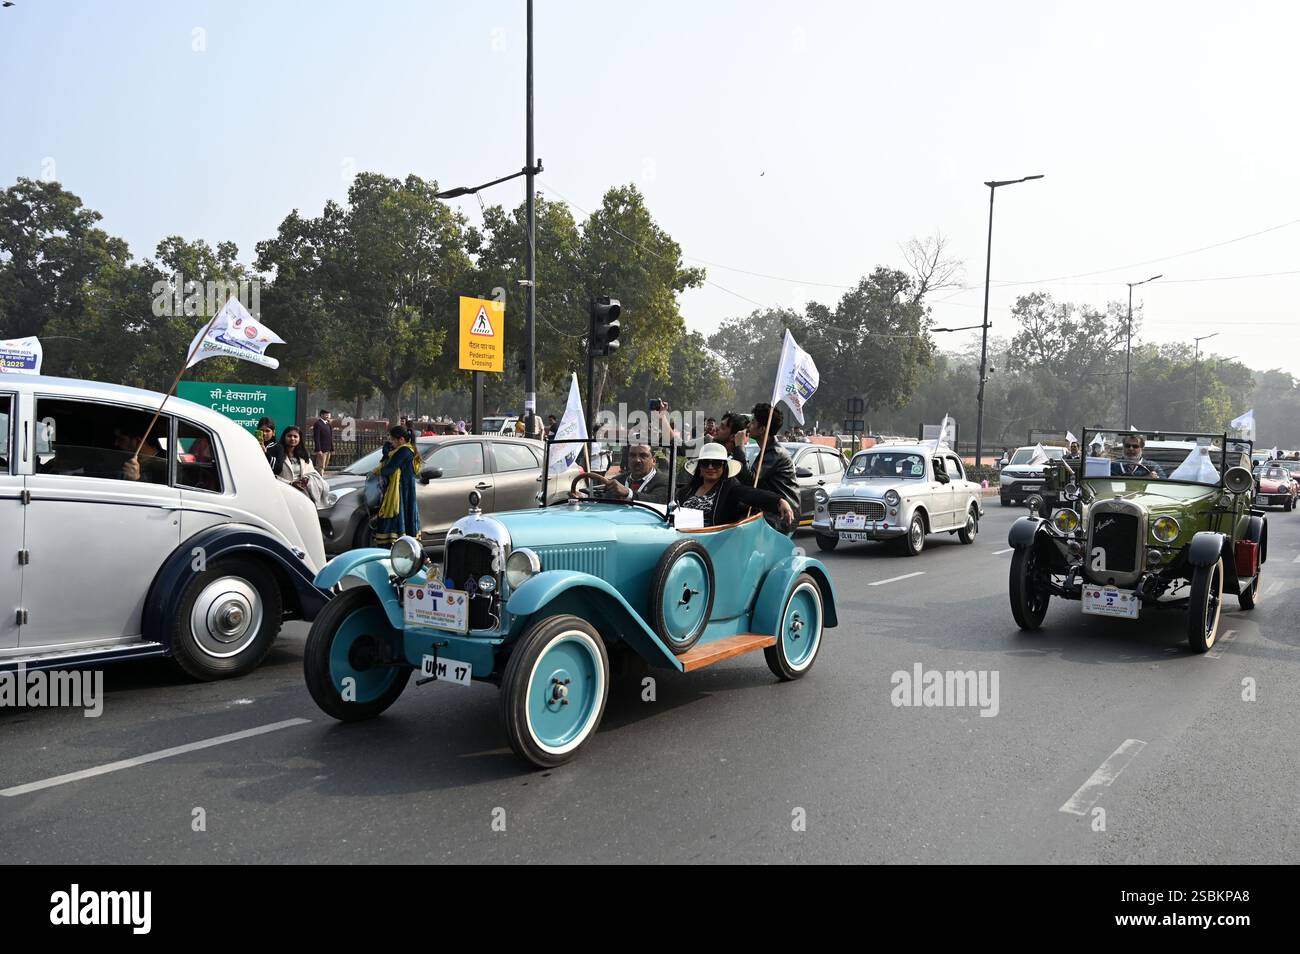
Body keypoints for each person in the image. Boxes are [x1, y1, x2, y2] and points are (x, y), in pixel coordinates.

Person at [676, 442, 795, 529]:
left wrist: (779, 501)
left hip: (713, 543)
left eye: (716, 463)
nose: (710, 467)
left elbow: (751, 494)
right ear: (699, 467)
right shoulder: (685, 491)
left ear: (724, 467)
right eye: (705, 463)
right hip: (683, 543)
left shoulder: (730, 488)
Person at [745, 402, 799, 527]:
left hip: (781, 516)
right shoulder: (766, 450)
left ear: (762, 429)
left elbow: (751, 480)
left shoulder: (775, 452)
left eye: (753, 422)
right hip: (769, 512)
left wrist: (739, 447)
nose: (748, 425)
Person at [371, 426, 422, 547]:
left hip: (401, 490)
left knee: (399, 516)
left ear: (401, 439)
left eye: (393, 440)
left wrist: (375, 472)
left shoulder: (404, 451)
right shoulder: (402, 450)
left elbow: (389, 469)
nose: (391, 443)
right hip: (401, 488)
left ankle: (399, 544)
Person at [580, 442, 670, 504]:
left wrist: (628, 493)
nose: (637, 460)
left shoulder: (665, 481)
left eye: (643, 456)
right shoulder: (618, 480)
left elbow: (658, 501)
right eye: (632, 455)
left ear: (653, 460)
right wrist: (583, 498)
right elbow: (605, 499)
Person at [269, 425, 329, 507]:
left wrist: (305, 479)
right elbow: (272, 476)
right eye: (289, 436)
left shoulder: (304, 455)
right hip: (284, 493)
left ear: (299, 439)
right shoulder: (276, 454)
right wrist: (291, 483)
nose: (292, 439)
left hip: (303, 494)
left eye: (295, 436)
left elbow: (312, 472)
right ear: (284, 437)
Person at [311, 408, 334, 473]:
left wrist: (332, 449)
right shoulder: (318, 424)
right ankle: (319, 477)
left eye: (329, 415)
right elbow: (316, 438)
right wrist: (318, 450)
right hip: (322, 450)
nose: (328, 416)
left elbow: (330, 438)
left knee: (325, 465)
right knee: (321, 466)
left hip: (328, 449)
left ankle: (321, 476)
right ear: (321, 415)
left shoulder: (328, 424)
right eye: (326, 415)